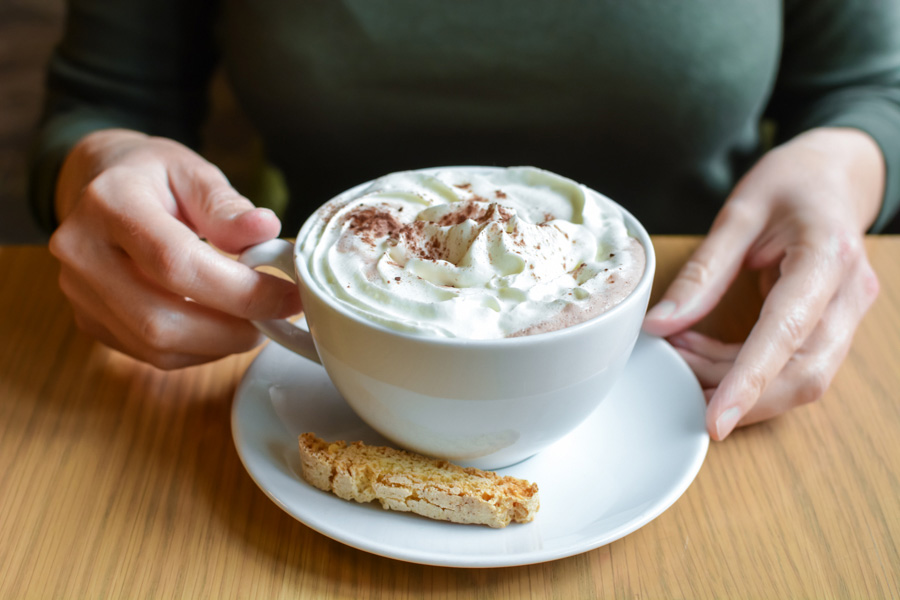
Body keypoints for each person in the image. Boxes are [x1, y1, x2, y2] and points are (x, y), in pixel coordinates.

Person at [28, 2, 900, 441]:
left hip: (702, 348)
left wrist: (840, 171)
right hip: (340, 320)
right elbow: (104, 99)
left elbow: (874, 86)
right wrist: (100, 171)